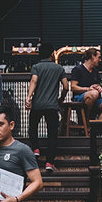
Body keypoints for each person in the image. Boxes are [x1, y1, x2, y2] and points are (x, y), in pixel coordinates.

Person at [25, 43, 68, 172]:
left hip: (37, 105)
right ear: (52, 54)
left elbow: (34, 81)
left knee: (33, 128)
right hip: (52, 106)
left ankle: (36, 149)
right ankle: (49, 162)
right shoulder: (59, 68)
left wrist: (29, 97)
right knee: (52, 135)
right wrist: (61, 98)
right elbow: (66, 86)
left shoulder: (36, 67)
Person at [69, 47, 102, 119]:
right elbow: (73, 87)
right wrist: (88, 89)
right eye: (99, 57)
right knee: (94, 93)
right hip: (80, 97)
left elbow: (97, 83)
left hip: (96, 98)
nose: (100, 60)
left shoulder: (95, 71)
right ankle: (86, 121)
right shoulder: (77, 69)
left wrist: (98, 87)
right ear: (93, 56)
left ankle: (97, 127)